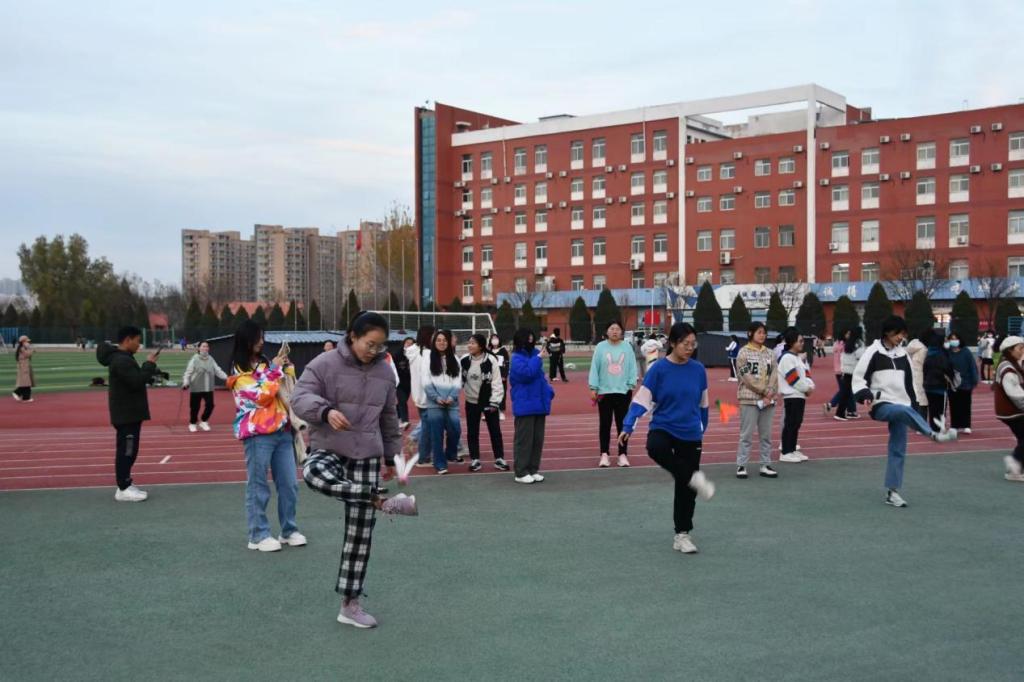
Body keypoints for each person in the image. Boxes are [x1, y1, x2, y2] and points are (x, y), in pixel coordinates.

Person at [291, 311, 418, 629]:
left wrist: (391, 459)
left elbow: (389, 417)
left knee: (359, 535)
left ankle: (350, 605)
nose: (374, 351)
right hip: (330, 447)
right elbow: (299, 397)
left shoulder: (385, 372)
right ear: (352, 336)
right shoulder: (324, 364)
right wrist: (325, 411)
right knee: (312, 474)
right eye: (369, 344)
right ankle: (378, 500)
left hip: (367, 454)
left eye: (380, 346)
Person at [619, 322, 715, 554]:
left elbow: (703, 403)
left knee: (685, 489)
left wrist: (702, 428)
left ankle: (682, 535)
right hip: (664, 426)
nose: (689, 348)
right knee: (655, 447)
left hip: (690, 431)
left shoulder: (698, 370)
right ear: (672, 343)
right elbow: (642, 399)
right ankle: (692, 477)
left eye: (693, 344)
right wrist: (628, 424)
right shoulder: (659, 369)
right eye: (685, 344)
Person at [852, 315, 958, 508]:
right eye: (898, 333)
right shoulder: (872, 351)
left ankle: (892, 492)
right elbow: (859, 378)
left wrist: (915, 405)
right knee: (900, 410)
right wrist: (865, 395)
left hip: (902, 404)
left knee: (898, 449)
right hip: (880, 404)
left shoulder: (903, 355)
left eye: (903, 334)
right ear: (887, 332)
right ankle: (932, 434)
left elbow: (911, 385)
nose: (901, 337)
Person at [225, 320, 305, 552]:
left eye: (262, 336)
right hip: (257, 435)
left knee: (289, 485)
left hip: (282, 431)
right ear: (246, 340)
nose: (261, 341)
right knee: (258, 486)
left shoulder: (266, 363)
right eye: (257, 337)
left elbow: (282, 387)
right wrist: (275, 370)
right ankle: (258, 535)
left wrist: (287, 370)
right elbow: (261, 396)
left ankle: (288, 530)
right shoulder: (238, 371)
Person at [97, 326, 160, 502]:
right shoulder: (121, 360)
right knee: (127, 451)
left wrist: (149, 369)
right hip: (126, 414)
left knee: (129, 450)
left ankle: (125, 483)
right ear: (127, 340)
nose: (139, 344)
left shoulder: (123, 358)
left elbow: (135, 378)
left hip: (128, 413)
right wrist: (149, 364)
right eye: (137, 340)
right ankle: (123, 487)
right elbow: (136, 381)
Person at [589, 320, 639, 468]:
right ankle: (604, 454)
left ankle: (622, 454)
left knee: (623, 424)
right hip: (604, 392)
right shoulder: (600, 347)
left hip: (623, 391)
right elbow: (594, 367)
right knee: (605, 424)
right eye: (612, 329)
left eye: (617, 329)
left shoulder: (627, 347)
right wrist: (593, 387)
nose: (615, 331)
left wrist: (631, 383)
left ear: (622, 332)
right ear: (607, 331)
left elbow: (632, 365)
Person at [509, 328, 554, 484]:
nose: (531, 341)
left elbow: (540, 377)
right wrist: (538, 358)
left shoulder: (534, 355)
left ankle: (533, 469)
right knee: (524, 440)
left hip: (539, 404)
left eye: (531, 338)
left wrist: (549, 391)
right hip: (525, 404)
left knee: (537, 440)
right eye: (527, 338)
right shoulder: (516, 358)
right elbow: (526, 374)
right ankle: (521, 471)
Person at [735, 322, 778, 479]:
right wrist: (764, 391)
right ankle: (741, 465)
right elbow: (746, 377)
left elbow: (774, 374)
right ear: (750, 333)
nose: (762, 335)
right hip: (749, 399)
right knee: (746, 435)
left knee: (766, 435)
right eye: (759, 332)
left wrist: (770, 392)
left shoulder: (770, 353)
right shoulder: (743, 353)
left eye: (764, 332)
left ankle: (765, 464)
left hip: (768, 400)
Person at [460, 333, 508, 472]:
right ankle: (475, 459)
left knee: (495, 431)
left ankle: (499, 458)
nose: (470, 345)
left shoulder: (491, 360)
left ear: (481, 346)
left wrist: (495, 402)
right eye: (469, 343)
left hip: (488, 401)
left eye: (473, 343)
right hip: (471, 401)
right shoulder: (464, 360)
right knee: (472, 431)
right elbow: (459, 380)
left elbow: (497, 382)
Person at [420, 330, 462, 474]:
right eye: (438, 340)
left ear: (448, 342)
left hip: (452, 402)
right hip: (434, 403)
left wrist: (452, 397)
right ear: (434, 342)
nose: (441, 342)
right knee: (436, 434)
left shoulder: (455, 359)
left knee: (455, 429)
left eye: (444, 340)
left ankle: (450, 453)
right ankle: (440, 464)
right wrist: (436, 397)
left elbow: (458, 381)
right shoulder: (427, 359)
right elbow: (425, 381)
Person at [778, 327, 815, 463]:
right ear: (792, 342)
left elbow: (807, 375)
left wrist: (810, 387)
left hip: (800, 395)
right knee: (790, 423)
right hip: (792, 396)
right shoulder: (787, 358)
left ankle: (792, 449)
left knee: (796, 423)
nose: (802, 343)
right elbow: (792, 379)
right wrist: (806, 388)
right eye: (800, 341)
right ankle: (785, 452)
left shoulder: (797, 358)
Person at [994, 335, 1024, 482]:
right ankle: (1014, 462)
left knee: (1022, 439)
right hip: (1012, 411)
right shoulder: (1008, 368)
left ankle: (1017, 468)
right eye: (1020, 348)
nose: (1022, 351)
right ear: (1010, 350)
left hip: (1012, 410)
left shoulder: (1012, 364)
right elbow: (1015, 394)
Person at [182, 340, 228, 432]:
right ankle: (192, 423)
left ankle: (203, 421)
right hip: (196, 386)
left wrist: (227, 378)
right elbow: (188, 372)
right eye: (203, 346)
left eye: (207, 346)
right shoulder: (194, 359)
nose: (205, 348)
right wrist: (185, 382)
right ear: (199, 348)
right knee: (195, 407)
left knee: (210, 405)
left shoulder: (211, 359)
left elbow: (217, 370)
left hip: (208, 387)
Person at [406, 325, 435, 466]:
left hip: (418, 394)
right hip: (428, 395)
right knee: (428, 429)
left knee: (426, 425)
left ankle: (426, 454)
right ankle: (424, 457)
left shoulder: (412, 350)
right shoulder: (428, 354)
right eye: (434, 335)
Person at [946, 331, 978, 434]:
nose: (954, 341)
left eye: (955, 338)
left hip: (966, 383)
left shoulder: (966, 352)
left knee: (965, 405)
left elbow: (972, 366)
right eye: (951, 339)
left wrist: (974, 380)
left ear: (959, 340)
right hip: (952, 384)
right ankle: (954, 425)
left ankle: (966, 425)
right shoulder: (947, 352)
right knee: (954, 405)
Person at [923, 330, 954, 431]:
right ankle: (940, 428)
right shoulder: (942, 354)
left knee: (932, 409)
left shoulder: (929, 353)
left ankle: (934, 428)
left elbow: (925, 370)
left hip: (928, 386)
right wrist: (951, 378)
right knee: (941, 410)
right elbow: (947, 369)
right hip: (940, 386)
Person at [835, 327, 864, 421]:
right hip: (853, 371)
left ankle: (845, 412)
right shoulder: (858, 343)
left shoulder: (848, 343)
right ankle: (841, 413)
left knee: (846, 393)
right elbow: (861, 356)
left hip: (846, 371)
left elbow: (842, 357)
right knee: (847, 393)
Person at [904, 331, 930, 420]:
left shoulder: (911, 348)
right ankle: (921, 422)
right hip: (922, 377)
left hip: (912, 377)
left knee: (915, 401)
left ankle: (915, 421)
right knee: (922, 403)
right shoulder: (924, 349)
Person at [490, 333, 510, 421]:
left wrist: (504, 375)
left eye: (496, 338)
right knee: (490, 393)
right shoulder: (488, 351)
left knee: (502, 394)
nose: (494, 340)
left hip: (501, 376)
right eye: (493, 338)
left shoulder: (503, 350)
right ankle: (491, 412)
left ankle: (501, 412)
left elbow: (507, 363)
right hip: (491, 376)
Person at [395, 337, 414, 429]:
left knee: (402, 401)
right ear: (403, 343)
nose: (409, 344)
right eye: (407, 342)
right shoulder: (397, 355)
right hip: (399, 383)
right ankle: (404, 420)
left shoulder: (415, 355)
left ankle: (395, 417)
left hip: (409, 383)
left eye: (411, 343)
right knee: (402, 401)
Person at [12, 335, 34, 402]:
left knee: (26, 382)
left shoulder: (22, 347)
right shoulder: (22, 348)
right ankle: (17, 393)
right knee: (26, 382)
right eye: (26, 341)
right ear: (23, 342)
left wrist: (29, 349)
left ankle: (25, 397)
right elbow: (28, 354)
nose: (28, 343)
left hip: (24, 365)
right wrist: (31, 349)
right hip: (23, 366)